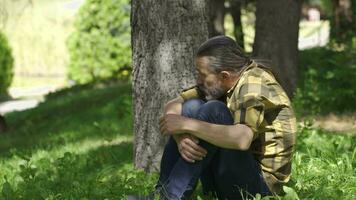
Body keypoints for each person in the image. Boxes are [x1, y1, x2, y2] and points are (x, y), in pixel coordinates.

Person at [129, 35, 297, 200]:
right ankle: (163, 193)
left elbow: (242, 139)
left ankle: (169, 197)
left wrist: (187, 125)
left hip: (259, 190)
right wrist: (181, 138)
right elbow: (174, 104)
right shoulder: (227, 80)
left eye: (202, 74)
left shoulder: (253, 85)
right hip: (231, 179)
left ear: (224, 75)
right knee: (191, 106)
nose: (198, 79)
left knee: (214, 110)